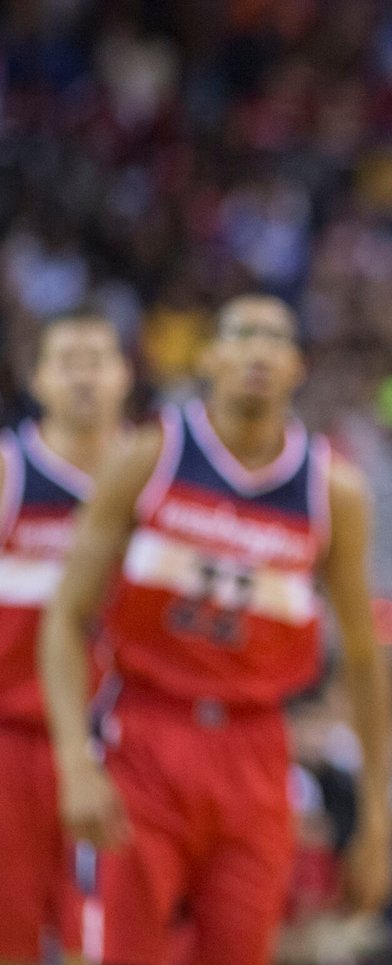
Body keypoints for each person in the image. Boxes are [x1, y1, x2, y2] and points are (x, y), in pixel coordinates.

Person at [40, 295, 392, 965]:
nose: (257, 349)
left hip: (256, 744)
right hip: (144, 732)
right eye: (241, 334)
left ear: (298, 365)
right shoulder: (147, 458)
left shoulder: (334, 492)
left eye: (274, 337)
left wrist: (376, 817)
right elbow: (65, 618)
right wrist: (72, 760)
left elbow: (364, 657)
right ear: (211, 358)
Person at [0, 312, 132, 965]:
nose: (83, 374)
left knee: (112, 940)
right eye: (67, 359)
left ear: (124, 376)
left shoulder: (151, 478)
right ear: (38, 378)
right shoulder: (8, 471)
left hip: (129, 743)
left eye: (97, 358)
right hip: (16, 743)